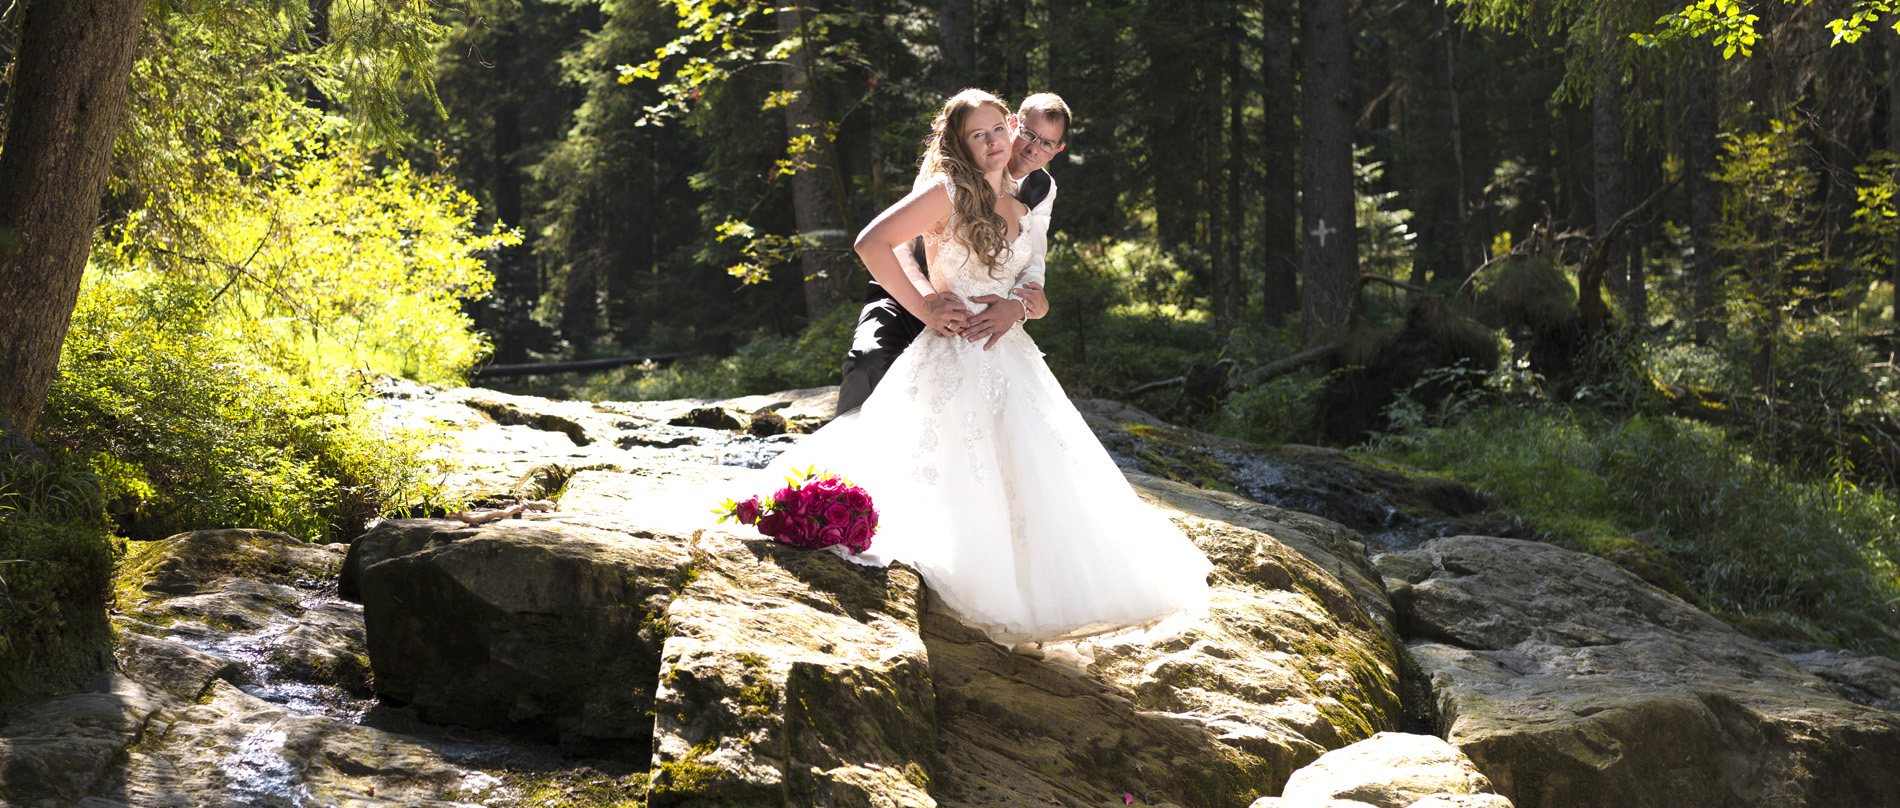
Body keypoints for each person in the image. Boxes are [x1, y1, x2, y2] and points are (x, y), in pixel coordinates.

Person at [770, 89, 1211, 650]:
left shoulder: (1028, 200)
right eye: (982, 135)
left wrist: (1020, 305)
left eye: (999, 132)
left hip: (1011, 353)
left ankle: (1036, 585)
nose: (1001, 143)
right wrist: (927, 304)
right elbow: (875, 242)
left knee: (1034, 469)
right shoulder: (948, 188)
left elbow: (1037, 290)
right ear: (971, 139)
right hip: (951, 345)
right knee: (940, 453)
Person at [833, 93, 1071, 416]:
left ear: (1058, 149)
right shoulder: (945, 177)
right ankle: (845, 461)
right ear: (1013, 124)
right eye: (1028, 135)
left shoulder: (1041, 189)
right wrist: (928, 303)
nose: (1032, 148)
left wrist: (1020, 307)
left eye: (1046, 143)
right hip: (910, 283)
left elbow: (1032, 259)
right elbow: (899, 246)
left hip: (975, 316)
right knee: (867, 363)